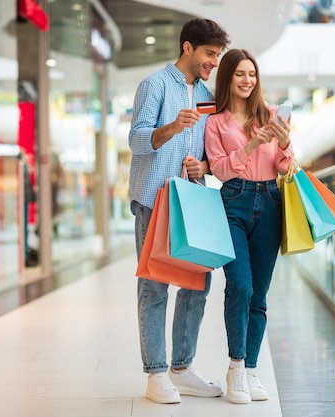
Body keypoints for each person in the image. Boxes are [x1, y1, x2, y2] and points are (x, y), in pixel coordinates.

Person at [128, 18, 230, 404]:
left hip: (192, 201)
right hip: (153, 198)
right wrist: (171, 128)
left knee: (197, 285)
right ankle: (155, 374)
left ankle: (182, 369)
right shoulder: (154, 85)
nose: (214, 62)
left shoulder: (207, 94)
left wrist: (201, 165)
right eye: (209, 53)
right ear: (187, 47)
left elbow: (208, 151)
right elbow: (137, 139)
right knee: (154, 287)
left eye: (218, 55)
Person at [204, 48, 294, 404]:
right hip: (233, 204)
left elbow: (286, 166)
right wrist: (255, 142)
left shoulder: (271, 115)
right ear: (228, 78)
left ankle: (252, 369)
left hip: (270, 202)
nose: (247, 81)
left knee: (259, 294)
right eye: (240, 74)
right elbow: (221, 170)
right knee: (239, 286)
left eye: (252, 74)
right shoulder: (215, 122)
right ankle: (236, 367)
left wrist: (284, 141)